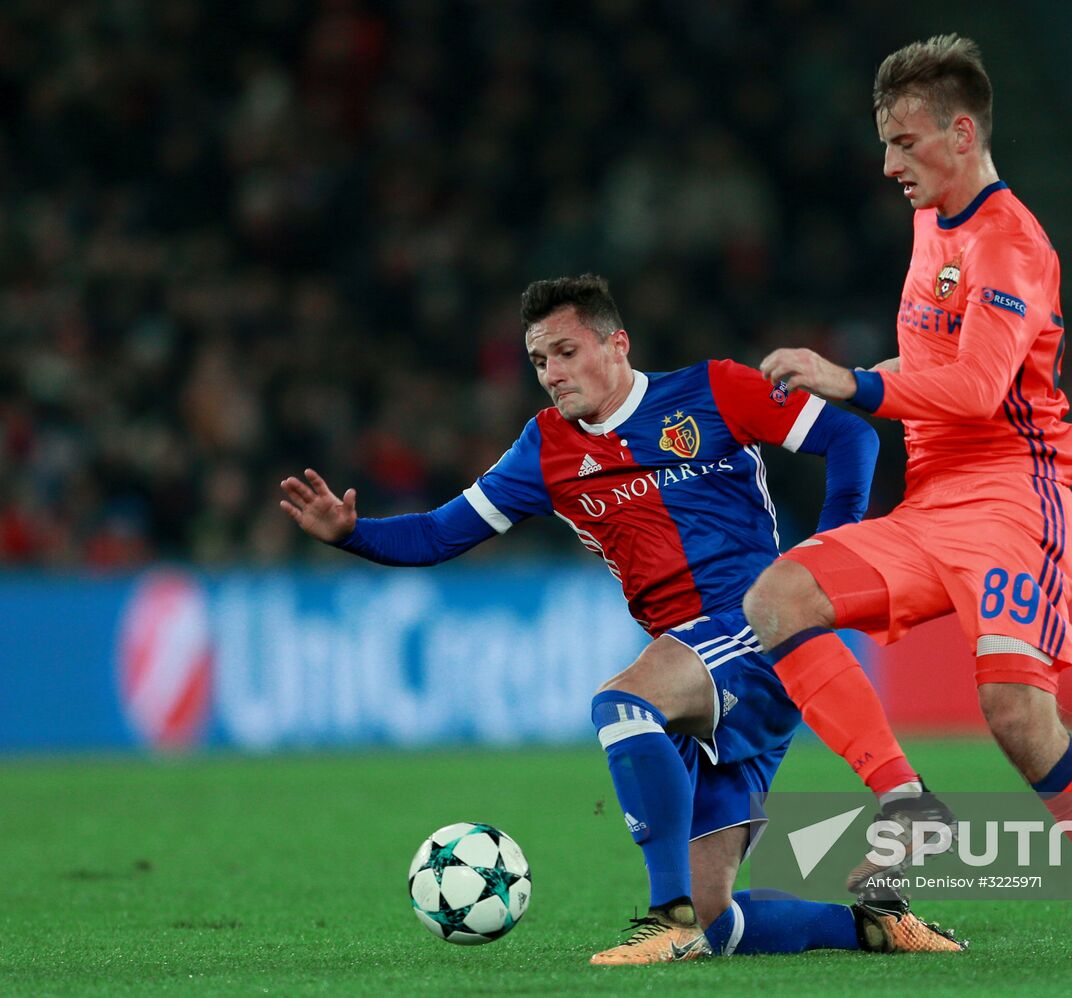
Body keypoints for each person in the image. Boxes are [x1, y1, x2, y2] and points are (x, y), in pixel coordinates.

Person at [279, 274, 963, 964]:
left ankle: (663, 917)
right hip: (705, 668)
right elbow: (436, 535)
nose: (551, 373)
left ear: (617, 345)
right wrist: (351, 534)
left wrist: (828, 556)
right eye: (540, 360)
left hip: (758, 628)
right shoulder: (545, 449)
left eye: (566, 352)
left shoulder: (714, 390)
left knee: (622, 706)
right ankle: (873, 925)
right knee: (716, 918)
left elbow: (850, 439)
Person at [743, 36, 1072, 960]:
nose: (888, 164)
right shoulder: (933, 222)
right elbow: (928, 366)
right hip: (933, 502)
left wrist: (849, 381)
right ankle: (905, 799)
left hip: (1014, 501)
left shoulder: (1012, 242)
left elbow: (977, 389)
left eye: (906, 143)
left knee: (1018, 718)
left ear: (961, 133)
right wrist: (857, 376)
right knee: (776, 598)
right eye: (885, 143)